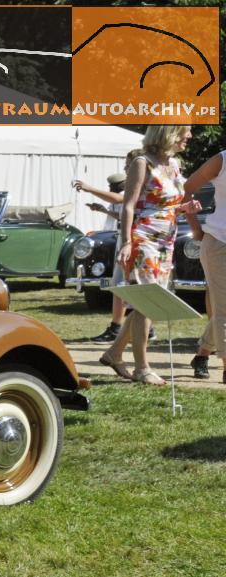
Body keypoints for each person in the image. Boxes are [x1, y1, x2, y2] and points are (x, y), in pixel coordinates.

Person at [101, 125, 198, 386]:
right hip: (143, 240)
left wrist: (183, 208)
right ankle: (142, 368)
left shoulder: (174, 164)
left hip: (166, 241)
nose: (189, 137)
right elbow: (129, 206)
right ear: (168, 132)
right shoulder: (142, 163)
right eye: (184, 131)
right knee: (146, 301)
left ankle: (114, 353)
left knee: (150, 302)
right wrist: (126, 242)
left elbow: (166, 204)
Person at [75, 147, 144, 342]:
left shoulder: (137, 184)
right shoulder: (143, 183)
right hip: (131, 236)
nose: (125, 167)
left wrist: (90, 189)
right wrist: (104, 211)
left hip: (132, 238)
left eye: (128, 165)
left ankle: (117, 328)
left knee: (121, 285)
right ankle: (140, 327)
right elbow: (123, 211)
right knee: (129, 284)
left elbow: (121, 199)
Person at [182, 148, 224, 383]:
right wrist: (195, 228)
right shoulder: (221, 159)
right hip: (220, 241)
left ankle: (202, 354)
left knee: (223, 310)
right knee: (223, 309)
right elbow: (187, 189)